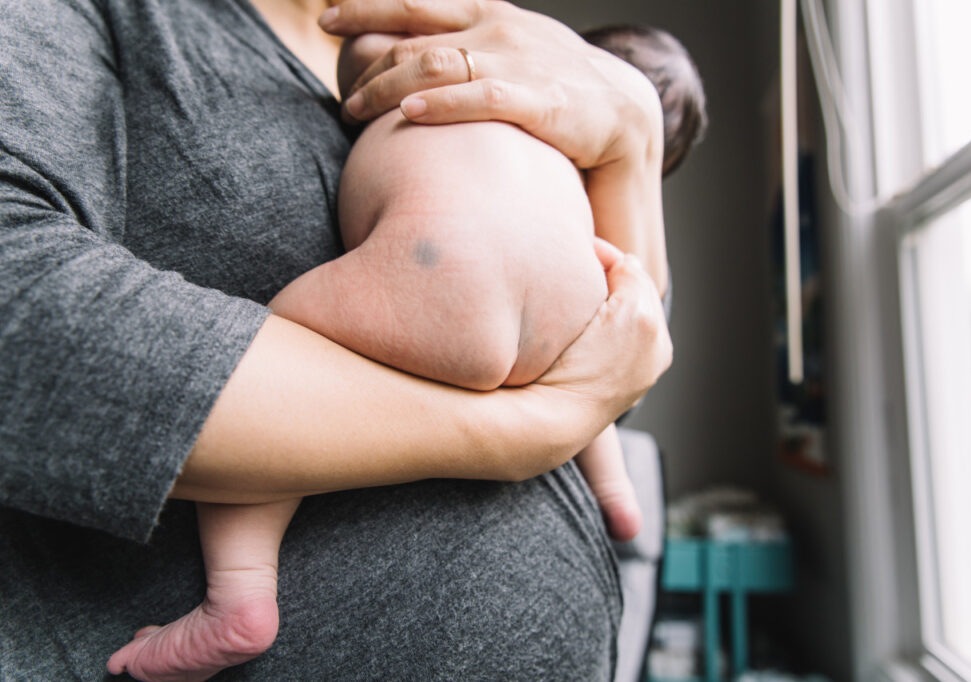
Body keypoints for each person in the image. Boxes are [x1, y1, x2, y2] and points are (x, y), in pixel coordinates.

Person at [0, 1, 672, 680]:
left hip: (456, 280)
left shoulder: (487, 50)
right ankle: (620, 500)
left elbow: (613, 375)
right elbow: (22, 315)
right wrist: (523, 428)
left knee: (287, 326)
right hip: (563, 292)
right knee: (272, 343)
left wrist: (632, 146)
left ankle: (240, 594)